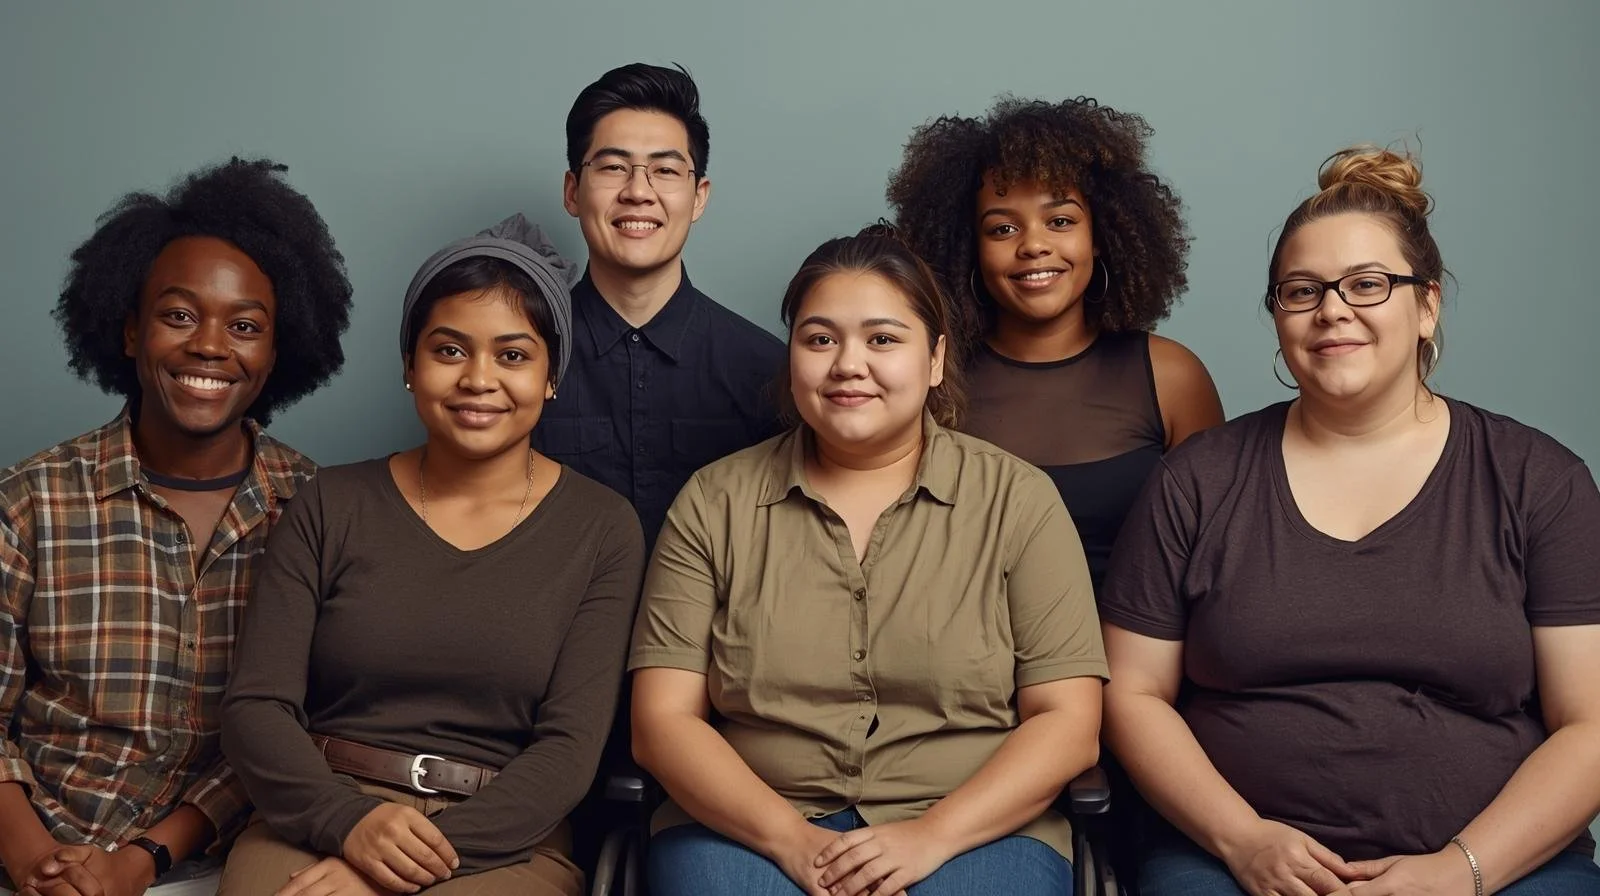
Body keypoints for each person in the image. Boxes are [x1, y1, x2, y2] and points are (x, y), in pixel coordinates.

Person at [1099, 146, 1600, 896]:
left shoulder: (1539, 480)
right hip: (1229, 863)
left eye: (1368, 284)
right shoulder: (1195, 481)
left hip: (1497, 868)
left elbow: (1589, 726)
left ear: (1427, 305)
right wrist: (1243, 842)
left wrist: (1458, 873)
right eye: (1301, 291)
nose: (1333, 309)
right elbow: (1132, 696)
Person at [630, 226, 1106, 896]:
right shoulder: (714, 503)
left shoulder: (1018, 502)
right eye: (820, 339)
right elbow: (662, 722)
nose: (848, 363)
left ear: (936, 359)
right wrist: (793, 843)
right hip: (749, 825)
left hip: (975, 828)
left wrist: (929, 839)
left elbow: (1069, 723)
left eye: (883, 338)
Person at [217, 215, 644, 896]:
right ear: (410, 367)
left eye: (513, 355)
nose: (480, 379)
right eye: (449, 351)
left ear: (551, 377)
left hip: (503, 839)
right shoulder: (329, 502)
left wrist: (407, 861)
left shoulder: (602, 528)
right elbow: (256, 709)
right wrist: (349, 824)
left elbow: (569, 751)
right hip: (318, 812)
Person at [0, 158, 353, 896]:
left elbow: (299, 729)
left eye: (246, 326)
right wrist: (36, 863)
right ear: (130, 332)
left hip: (221, 865)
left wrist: (143, 860)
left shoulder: (319, 509)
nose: (209, 346)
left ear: (278, 350)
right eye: (179, 315)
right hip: (30, 851)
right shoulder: (29, 502)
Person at [888, 96, 1224, 591]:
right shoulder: (934, 379)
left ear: (1100, 235)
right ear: (969, 248)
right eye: (1002, 228)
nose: (1033, 244)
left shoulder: (1171, 377)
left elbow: (1217, 559)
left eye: (1061, 221)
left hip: (1141, 661)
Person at [540, 62, 785, 550]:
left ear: (698, 197)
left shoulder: (768, 369)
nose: (638, 191)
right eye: (612, 167)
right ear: (572, 191)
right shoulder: (523, 355)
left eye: (666, 170)